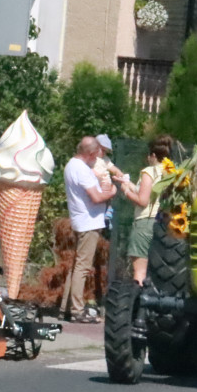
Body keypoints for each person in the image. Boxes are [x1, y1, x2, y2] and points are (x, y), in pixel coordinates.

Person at [62, 136, 116, 323]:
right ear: (91, 153)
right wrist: (112, 192)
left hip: (81, 220)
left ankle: (66, 307)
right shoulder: (82, 170)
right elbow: (96, 197)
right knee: (83, 267)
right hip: (88, 223)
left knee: (77, 266)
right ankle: (77, 310)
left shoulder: (71, 165)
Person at [119, 135, 172, 285]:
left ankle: (139, 303)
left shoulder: (149, 171)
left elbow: (143, 201)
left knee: (140, 271)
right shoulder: (171, 173)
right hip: (163, 222)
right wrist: (128, 184)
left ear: (153, 156)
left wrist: (125, 191)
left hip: (144, 222)